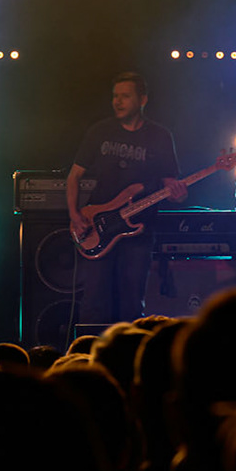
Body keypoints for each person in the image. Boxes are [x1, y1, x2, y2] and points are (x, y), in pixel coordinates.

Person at [67, 72, 186, 328]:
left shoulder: (160, 136)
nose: (118, 102)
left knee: (131, 303)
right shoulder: (99, 131)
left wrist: (178, 193)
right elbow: (73, 176)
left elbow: (170, 186)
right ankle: (89, 349)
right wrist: (75, 215)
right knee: (94, 301)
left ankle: (128, 348)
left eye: (125, 96)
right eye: (115, 96)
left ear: (142, 99)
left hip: (139, 230)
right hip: (98, 226)